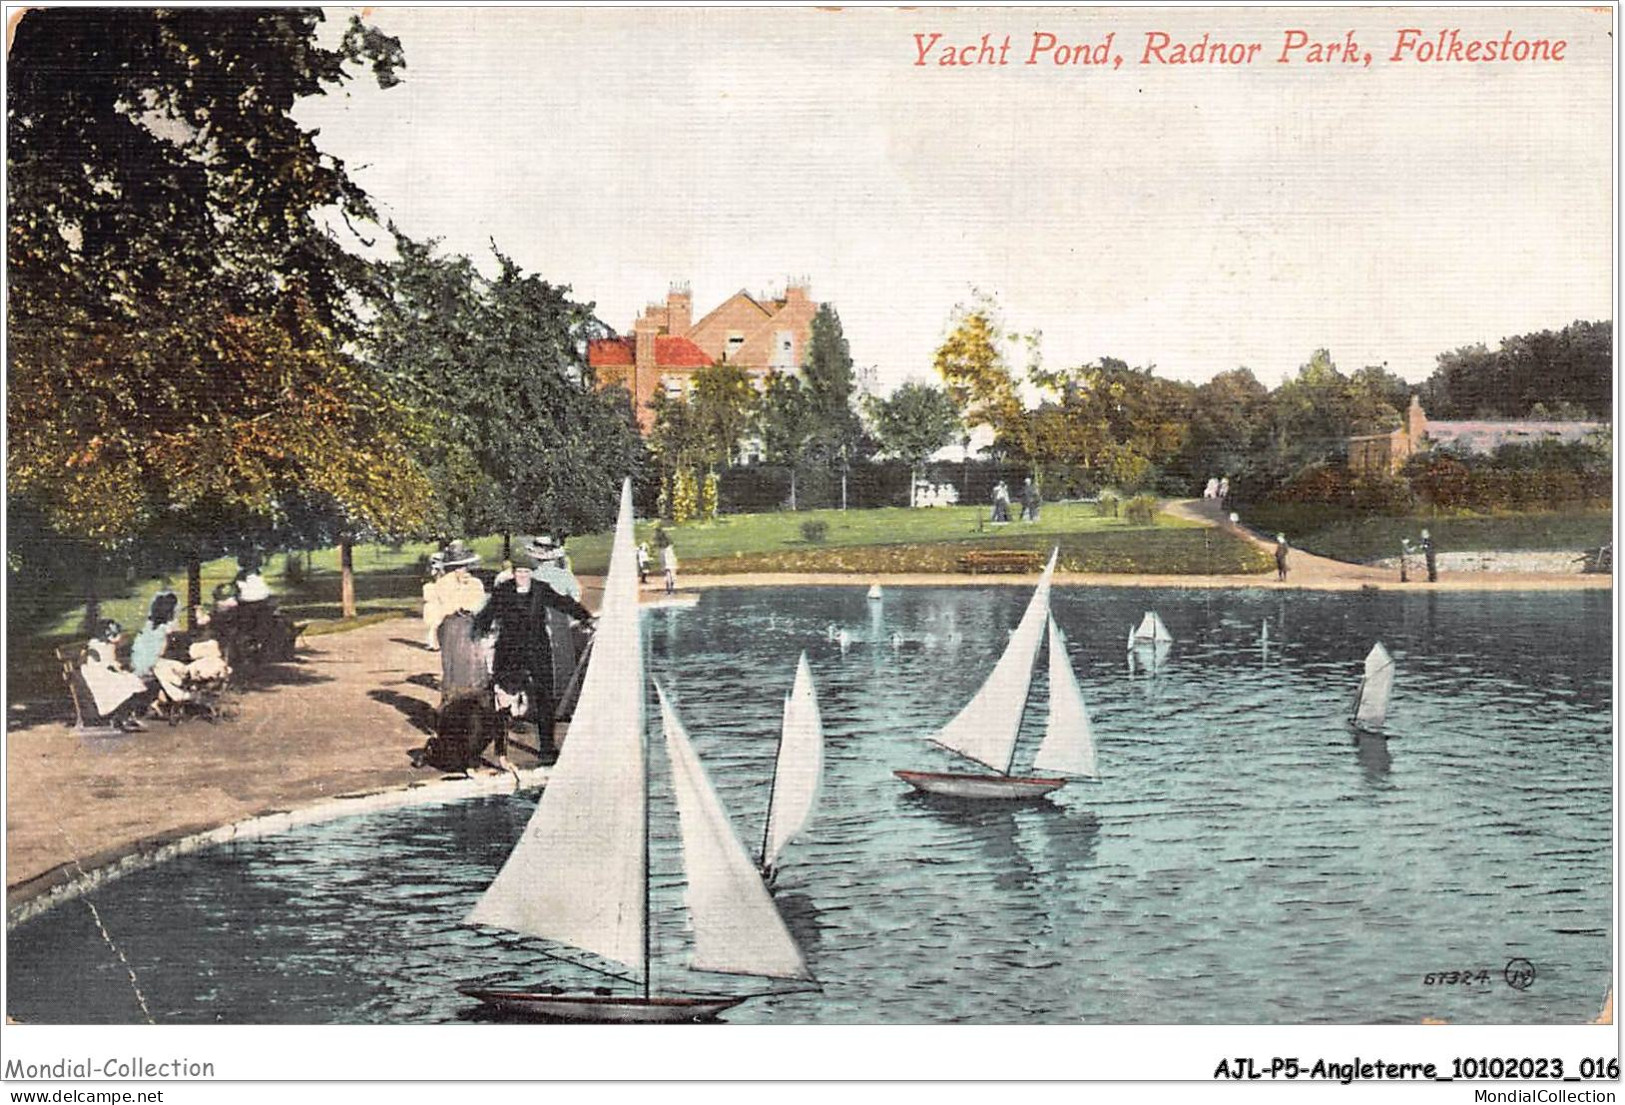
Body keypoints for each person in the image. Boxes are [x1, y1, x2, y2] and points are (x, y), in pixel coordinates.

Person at [473, 557, 593, 754]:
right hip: (510, 651)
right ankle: (499, 750)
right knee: (503, 697)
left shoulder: (541, 588)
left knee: (544, 697)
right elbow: (488, 612)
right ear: (513, 573)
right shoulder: (503, 590)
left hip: (537, 649)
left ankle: (547, 747)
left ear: (532, 573)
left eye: (526, 572)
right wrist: (480, 628)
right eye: (519, 572)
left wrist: (585, 616)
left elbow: (564, 603)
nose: (522, 576)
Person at [424, 541, 493, 769]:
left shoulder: (475, 583)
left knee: (475, 668)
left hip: (471, 628)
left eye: (464, 567)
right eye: (456, 567)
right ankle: (451, 720)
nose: (461, 571)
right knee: (454, 671)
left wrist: (471, 607)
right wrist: (456, 605)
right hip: (453, 628)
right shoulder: (442, 584)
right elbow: (441, 609)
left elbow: (480, 604)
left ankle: (477, 719)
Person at [529, 535, 585, 718]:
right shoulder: (564, 576)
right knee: (563, 661)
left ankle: (540, 706)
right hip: (559, 622)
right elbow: (576, 598)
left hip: (538, 623)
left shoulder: (532, 577)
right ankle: (566, 705)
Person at [79, 620, 157, 730]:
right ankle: (124, 717)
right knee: (129, 681)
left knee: (129, 680)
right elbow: (109, 664)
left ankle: (125, 716)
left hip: (99, 674)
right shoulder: (104, 646)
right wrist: (122, 671)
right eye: (118, 634)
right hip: (97, 677)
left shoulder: (98, 644)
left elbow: (110, 664)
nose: (120, 637)